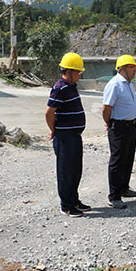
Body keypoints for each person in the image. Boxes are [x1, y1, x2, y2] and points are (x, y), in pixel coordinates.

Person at [45, 52, 90, 218]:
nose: (80, 75)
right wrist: (54, 130)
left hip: (75, 136)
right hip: (64, 137)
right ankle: (67, 205)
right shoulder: (59, 88)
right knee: (66, 172)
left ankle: (75, 200)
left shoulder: (71, 86)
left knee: (75, 170)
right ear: (69, 71)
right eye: (78, 72)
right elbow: (49, 112)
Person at [102, 54, 136, 209]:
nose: (135, 71)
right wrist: (109, 123)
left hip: (131, 126)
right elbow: (106, 108)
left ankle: (124, 188)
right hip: (119, 127)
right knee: (117, 161)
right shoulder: (114, 84)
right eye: (132, 68)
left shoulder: (128, 83)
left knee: (128, 158)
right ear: (123, 68)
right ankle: (114, 195)